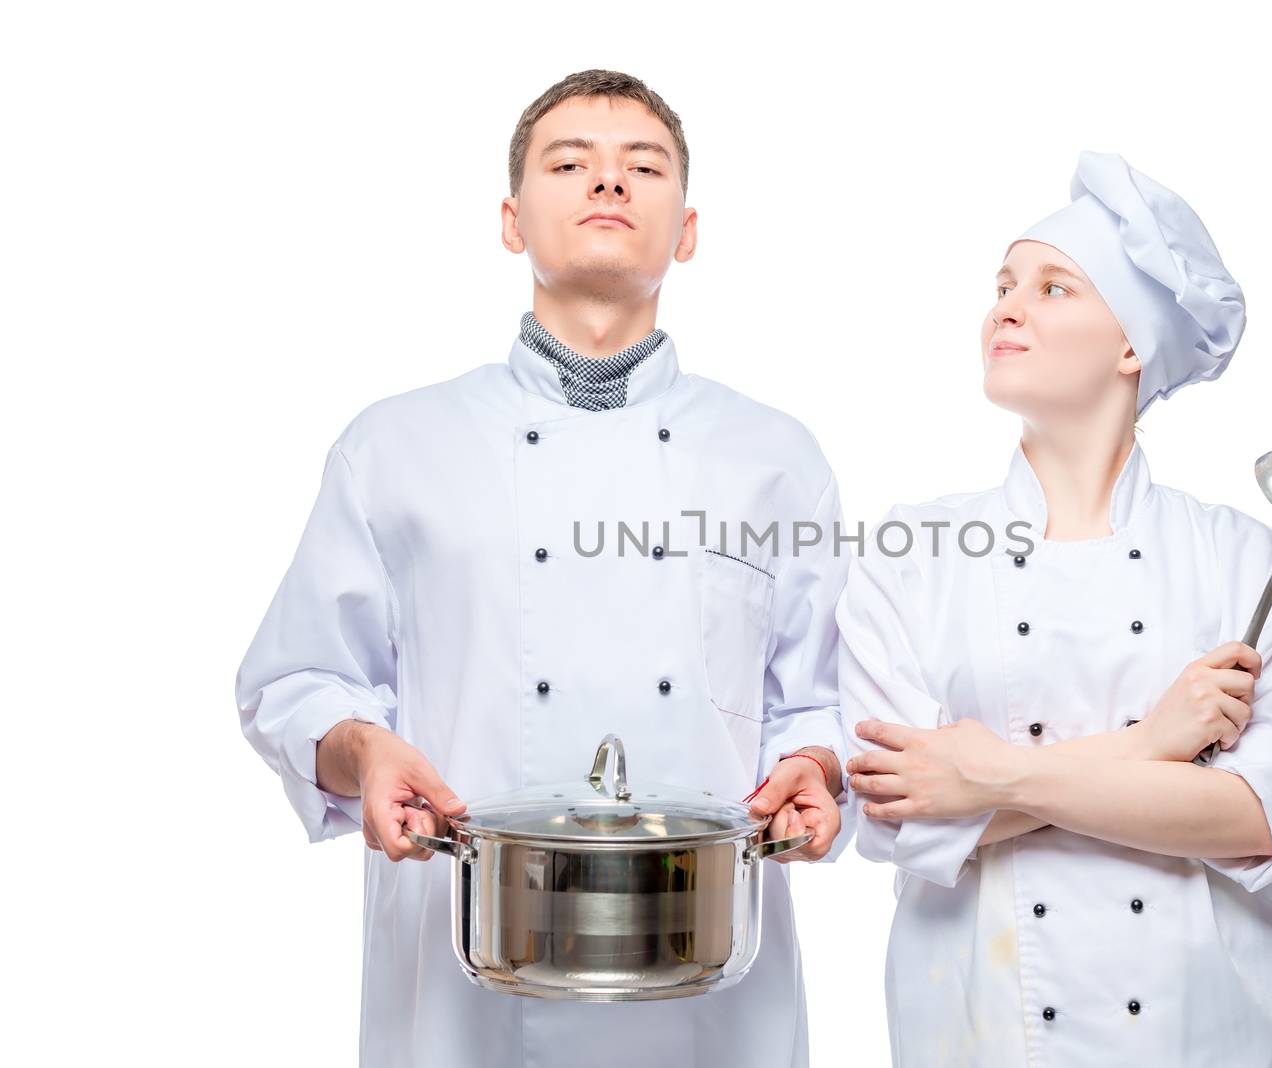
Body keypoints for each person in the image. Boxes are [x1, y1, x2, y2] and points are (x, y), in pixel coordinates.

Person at [235, 70, 852, 1068]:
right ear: (512, 220)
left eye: (641, 167)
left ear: (685, 230)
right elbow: (294, 683)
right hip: (468, 989)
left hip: (708, 991)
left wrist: (816, 773)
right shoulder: (396, 445)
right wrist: (362, 752)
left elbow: (822, 704)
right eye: (570, 164)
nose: (608, 183)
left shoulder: (773, 456)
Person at [836, 150, 1272, 1067]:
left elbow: (1261, 817)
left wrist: (991, 778)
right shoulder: (911, 556)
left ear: (1130, 346)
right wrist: (1152, 748)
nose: (1006, 308)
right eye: (1003, 284)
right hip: (982, 1024)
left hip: (1206, 1023)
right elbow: (900, 817)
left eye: (1055, 287)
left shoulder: (1246, 559)